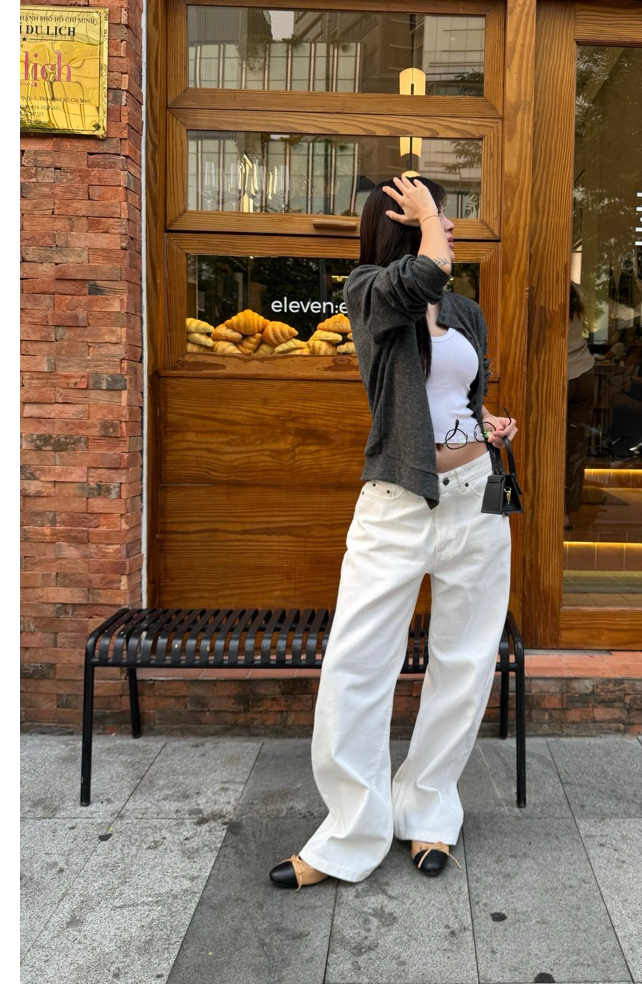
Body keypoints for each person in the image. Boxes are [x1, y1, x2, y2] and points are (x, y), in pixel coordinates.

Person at [269, 174, 518, 889]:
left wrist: (487, 423)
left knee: (465, 662)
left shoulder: (463, 310)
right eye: (437, 214)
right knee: (357, 665)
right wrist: (430, 222)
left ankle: (427, 807)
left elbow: (461, 392)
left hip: (476, 500)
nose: (450, 226)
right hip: (397, 504)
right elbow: (420, 276)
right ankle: (350, 833)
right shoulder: (370, 292)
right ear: (405, 222)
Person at [565, 283, 595, 524]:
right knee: (576, 445)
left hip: (561, 373)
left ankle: (547, 507)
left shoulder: (548, 290)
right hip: (584, 370)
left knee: (549, 444)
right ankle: (566, 511)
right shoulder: (575, 292)